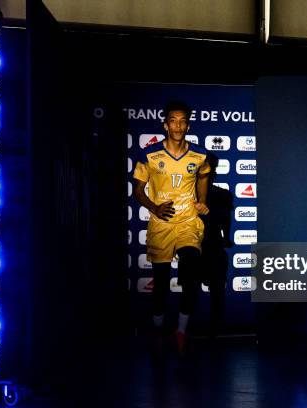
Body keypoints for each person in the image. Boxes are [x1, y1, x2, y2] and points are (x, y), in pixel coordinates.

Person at [133, 100, 210, 355]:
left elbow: (203, 177)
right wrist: (154, 208)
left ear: (187, 125)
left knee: (190, 276)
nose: (178, 125)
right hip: (161, 224)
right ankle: (157, 332)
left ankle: (180, 331)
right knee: (162, 284)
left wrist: (202, 202)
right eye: (173, 121)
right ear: (166, 125)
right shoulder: (150, 155)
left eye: (182, 121)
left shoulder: (199, 154)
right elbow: (138, 190)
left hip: (188, 222)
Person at [199, 153, 233, 340]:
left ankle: (212, 331)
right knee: (213, 292)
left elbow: (226, 221)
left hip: (203, 248)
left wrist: (226, 238)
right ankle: (212, 331)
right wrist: (226, 238)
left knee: (215, 291)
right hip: (201, 249)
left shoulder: (222, 195)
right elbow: (226, 222)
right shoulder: (223, 195)